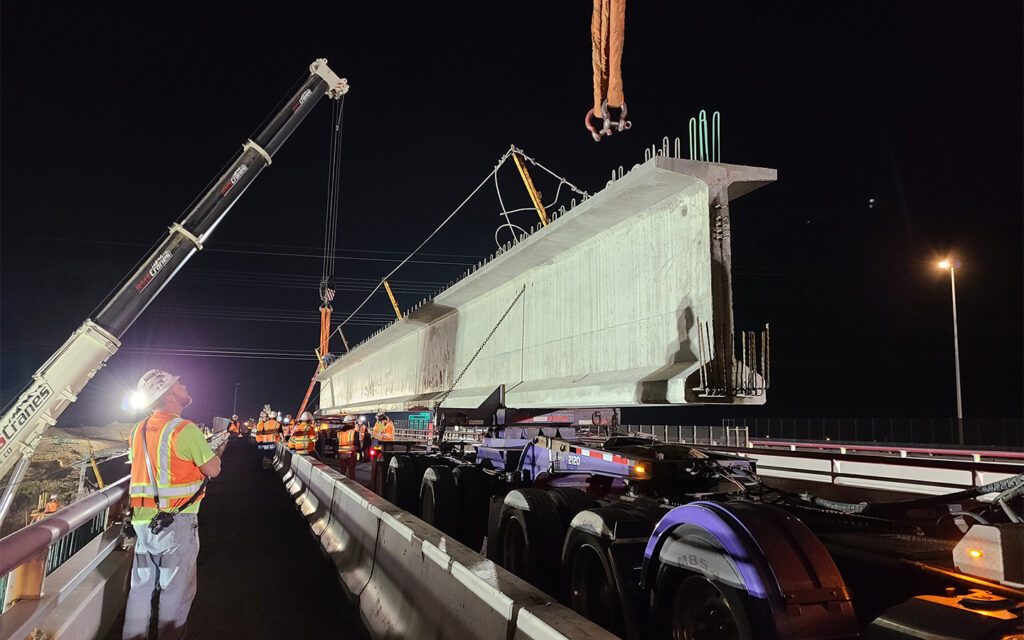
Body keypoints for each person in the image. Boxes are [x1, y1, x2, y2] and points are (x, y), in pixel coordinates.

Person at [123, 369, 224, 640]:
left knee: (141, 590)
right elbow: (213, 469)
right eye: (179, 384)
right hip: (176, 522)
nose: (185, 385)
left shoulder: (138, 430)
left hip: (143, 521)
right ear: (168, 394)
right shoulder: (183, 429)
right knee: (176, 593)